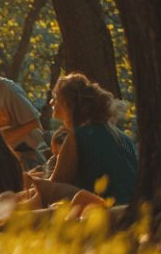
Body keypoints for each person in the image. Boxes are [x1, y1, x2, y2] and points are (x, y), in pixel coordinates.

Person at [37, 73, 138, 206]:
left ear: (68, 104)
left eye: (55, 97)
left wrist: (31, 181)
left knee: (39, 188)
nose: (51, 102)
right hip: (134, 204)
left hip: (107, 207)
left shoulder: (77, 136)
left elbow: (55, 185)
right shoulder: (124, 137)